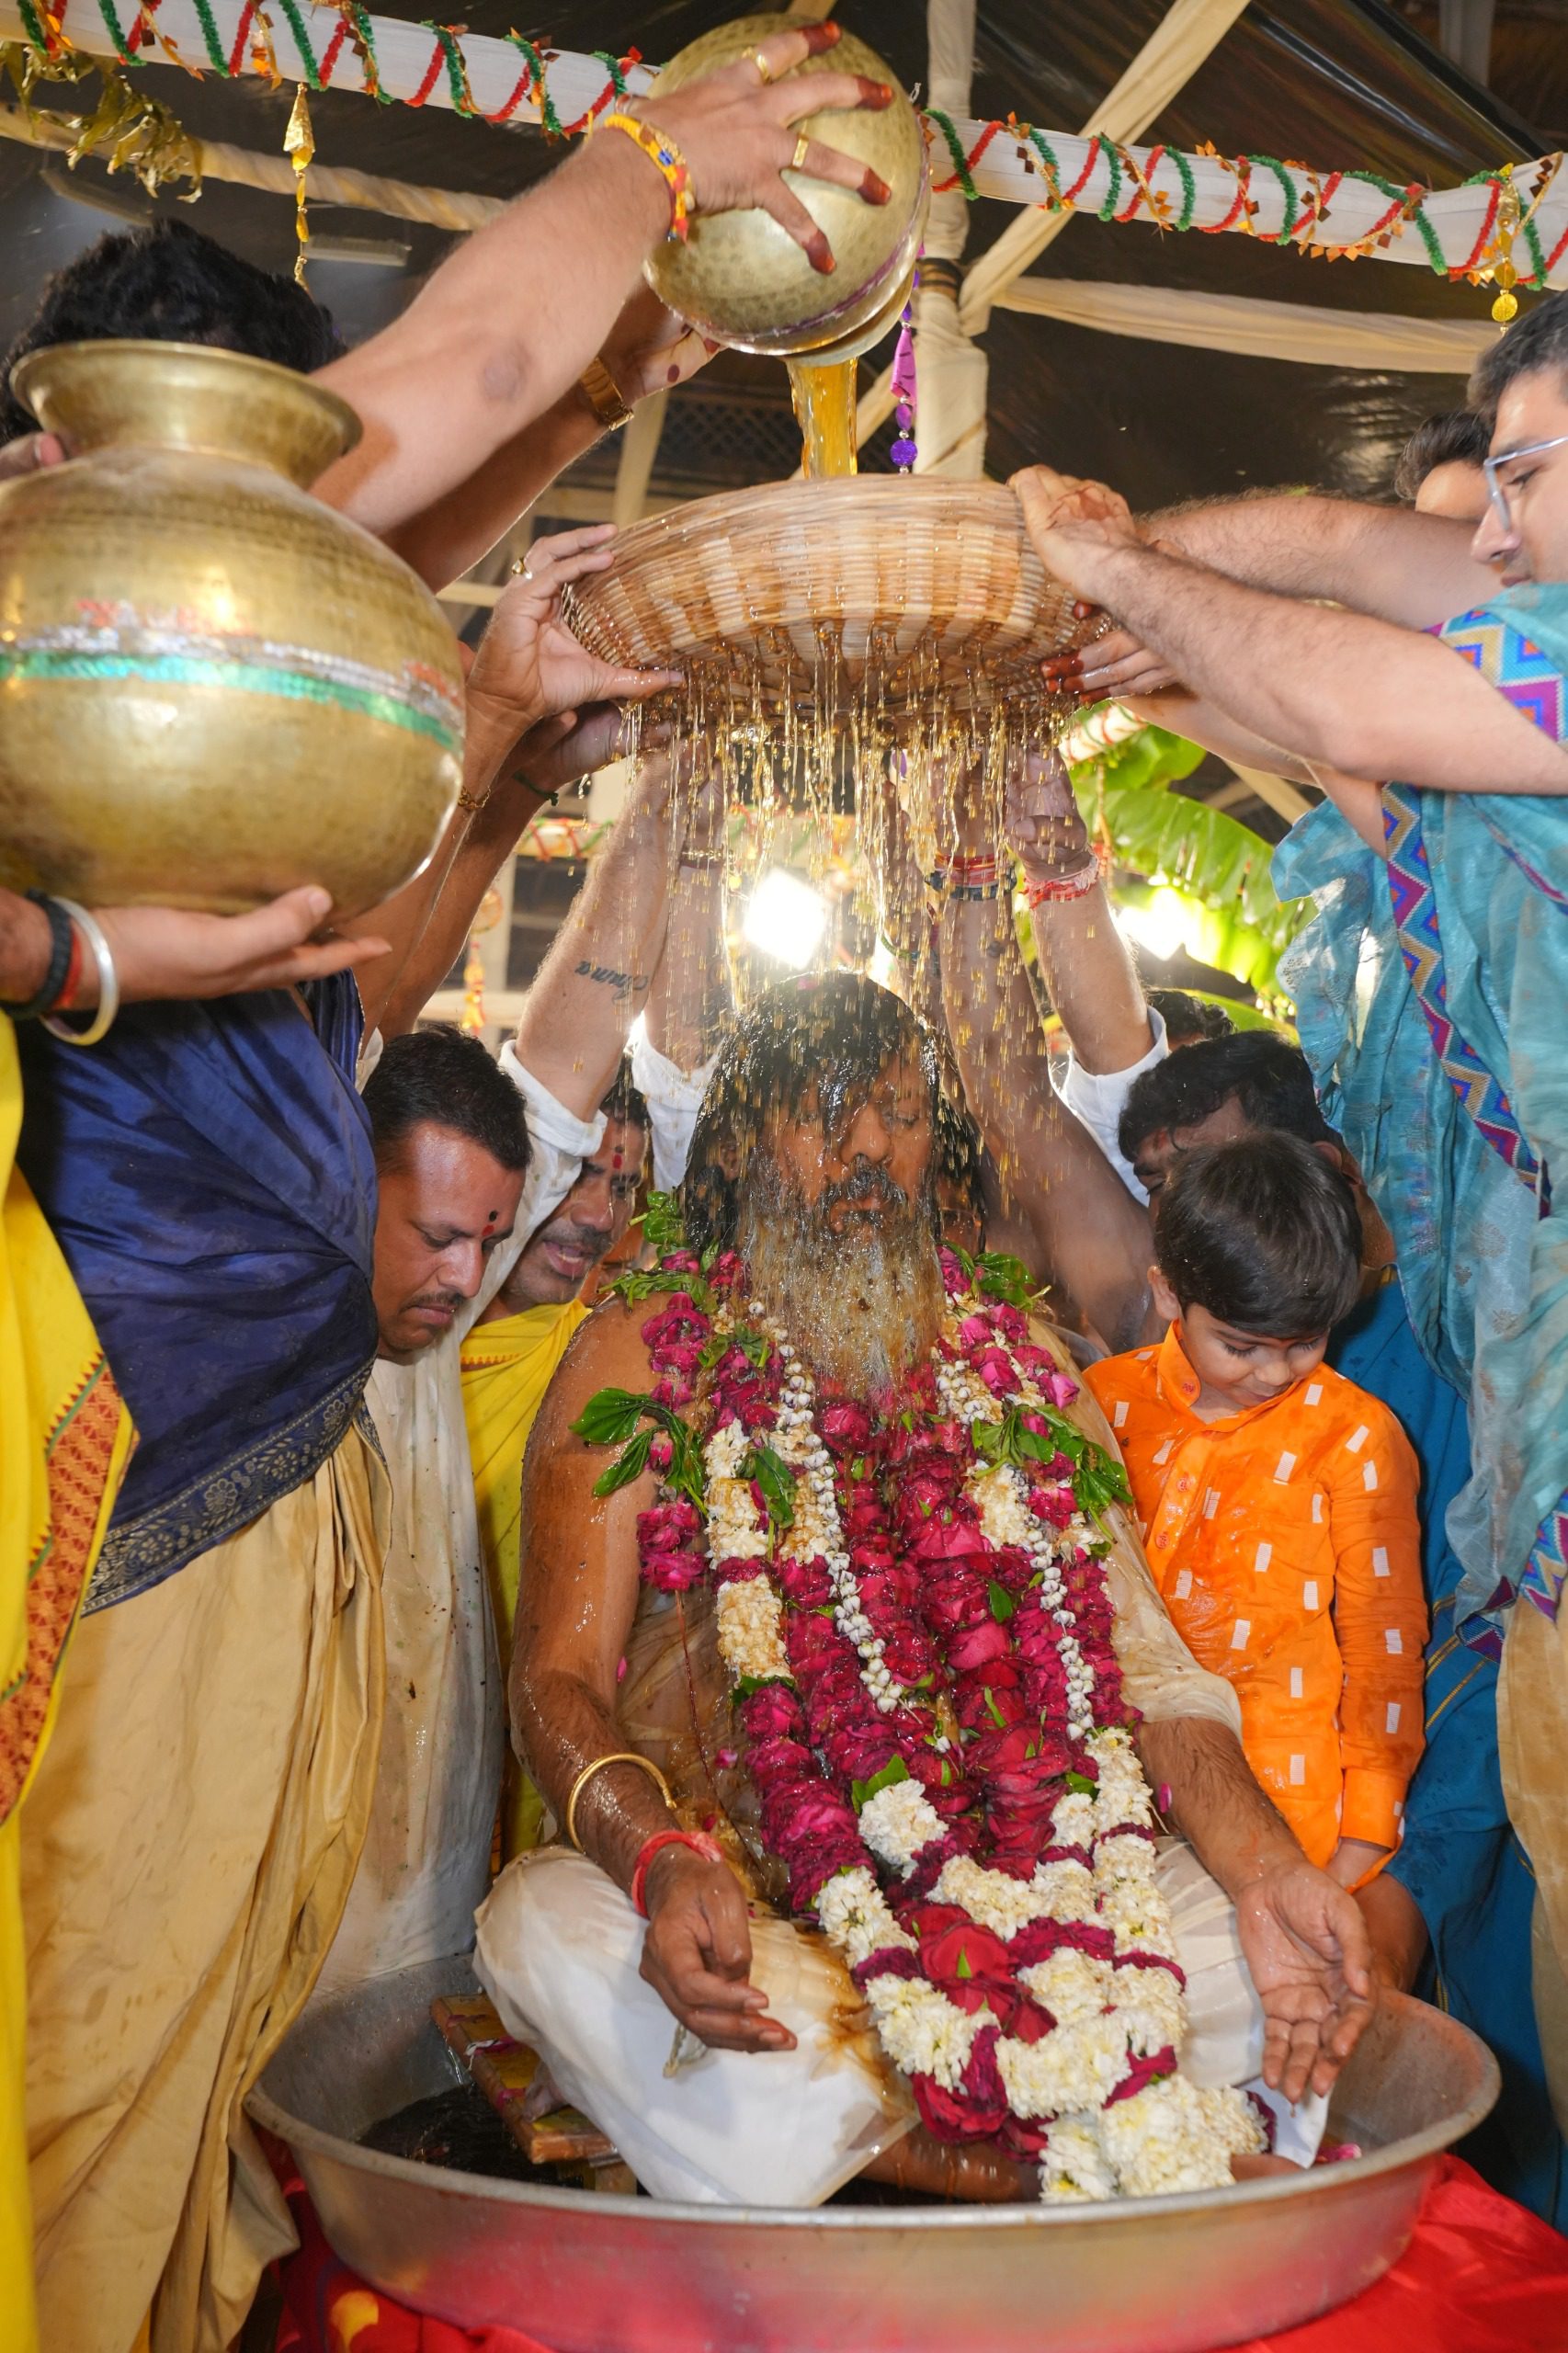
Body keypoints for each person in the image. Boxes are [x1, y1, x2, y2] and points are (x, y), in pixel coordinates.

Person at [476, 974, 1374, 2208]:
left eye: (900, 1115)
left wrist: (1268, 1872)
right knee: (544, 1931)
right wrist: (660, 1862)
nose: (866, 1152)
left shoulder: (1017, 1359)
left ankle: (919, 2142)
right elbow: (554, 1681)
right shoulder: (637, 1352)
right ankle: (1094, 2150)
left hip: (1037, 1878)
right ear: (738, 1144)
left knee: (1246, 1944)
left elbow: (1148, 1671)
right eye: (825, 1115)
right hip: (757, 1909)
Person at [1011, 308, 1568, 2174]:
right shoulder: (1494, 669)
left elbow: (1342, 696)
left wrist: (1112, 573)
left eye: (1524, 480)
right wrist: (1119, 578)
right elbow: (1334, 554)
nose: (1491, 540)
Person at [1085, 1135, 1426, 1881]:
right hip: (1110, 1810)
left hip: (1290, 1826)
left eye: (1305, 1343)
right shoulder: (1101, 1405)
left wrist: (1362, 1844)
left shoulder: (1354, 1436)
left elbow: (1384, 1650)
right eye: (1241, 1347)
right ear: (1168, 1293)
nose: (1275, 1373)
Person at [462, 1060, 650, 1857]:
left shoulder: (615, 1367)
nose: (598, 1216)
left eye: (623, 1186)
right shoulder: (406, 1359)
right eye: (575, 1177)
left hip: (551, 1773)